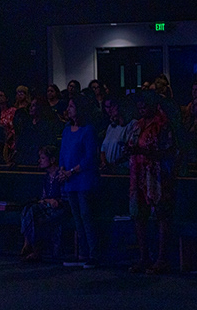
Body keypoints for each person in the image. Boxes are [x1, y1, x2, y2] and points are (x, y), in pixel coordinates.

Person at [127, 93, 178, 274]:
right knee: (139, 215)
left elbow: (168, 151)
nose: (141, 108)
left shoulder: (162, 125)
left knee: (161, 215)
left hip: (157, 175)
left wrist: (144, 151)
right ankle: (144, 257)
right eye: (139, 105)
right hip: (138, 174)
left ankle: (162, 258)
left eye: (144, 104)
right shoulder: (137, 125)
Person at [59, 96, 101, 268]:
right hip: (70, 181)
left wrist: (72, 171)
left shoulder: (88, 130)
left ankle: (94, 254)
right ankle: (82, 252)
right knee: (77, 218)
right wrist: (62, 169)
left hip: (83, 180)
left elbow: (90, 156)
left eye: (71, 106)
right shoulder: (67, 130)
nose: (68, 109)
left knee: (86, 216)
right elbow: (63, 152)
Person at [19, 145, 70, 263]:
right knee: (28, 209)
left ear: (52, 160)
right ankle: (30, 244)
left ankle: (32, 247)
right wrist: (46, 201)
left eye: (42, 158)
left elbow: (63, 199)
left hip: (60, 208)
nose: (39, 161)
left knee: (33, 213)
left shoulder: (60, 175)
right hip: (48, 206)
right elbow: (44, 197)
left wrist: (51, 201)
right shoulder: (46, 177)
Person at [99, 97, 132, 174]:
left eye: (112, 106)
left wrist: (114, 163)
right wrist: (104, 162)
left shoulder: (131, 125)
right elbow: (103, 148)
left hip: (123, 170)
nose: (110, 109)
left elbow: (130, 150)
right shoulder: (111, 126)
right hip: (109, 170)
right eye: (107, 107)